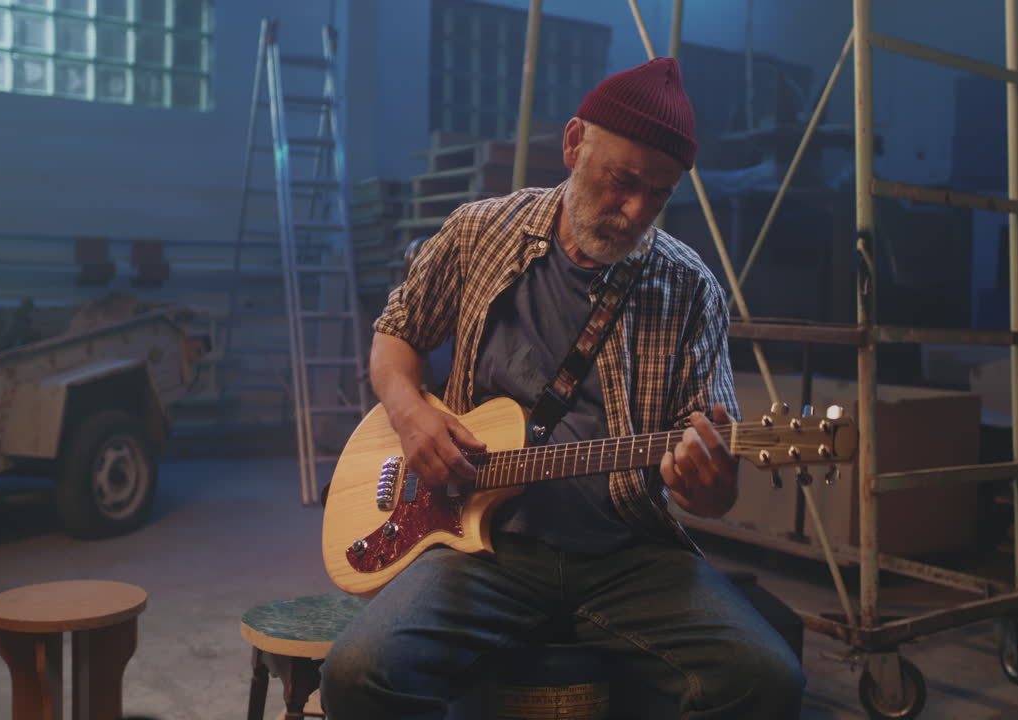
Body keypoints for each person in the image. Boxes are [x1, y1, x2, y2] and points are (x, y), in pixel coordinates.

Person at [320, 57, 804, 719]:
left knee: (767, 680)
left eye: (658, 195)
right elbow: (395, 333)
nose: (636, 212)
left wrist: (712, 485)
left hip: (627, 553)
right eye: (622, 181)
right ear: (575, 144)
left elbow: (712, 483)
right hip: (479, 545)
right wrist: (408, 412)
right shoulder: (477, 232)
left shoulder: (691, 290)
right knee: (356, 675)